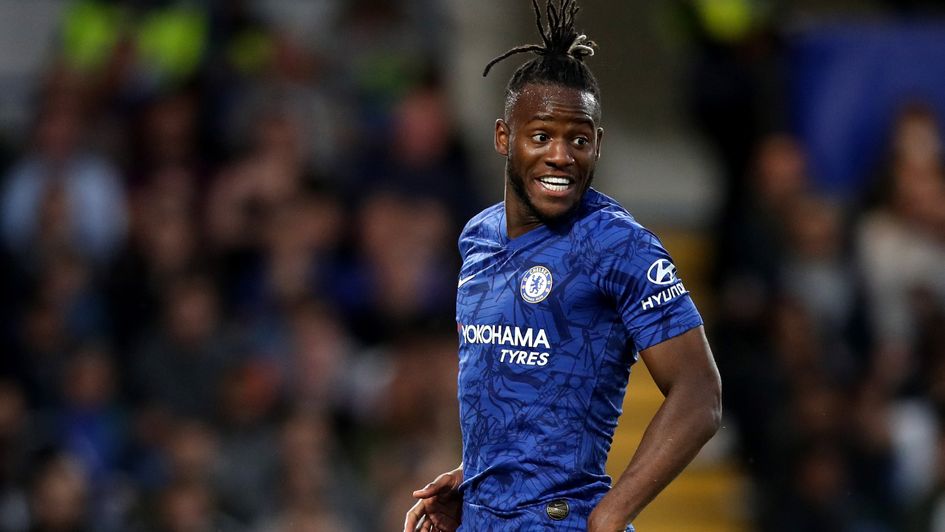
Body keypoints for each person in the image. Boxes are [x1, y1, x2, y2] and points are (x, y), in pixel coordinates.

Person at [404, 1, 722, 530]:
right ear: (505, 138)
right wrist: (477, 476)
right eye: (541, 136)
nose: (561, 155)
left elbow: (700, 395)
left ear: (598, 145)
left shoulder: (619, 245)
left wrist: (610, 516)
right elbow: (518, 392)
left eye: (578, 139)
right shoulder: (476, 239)